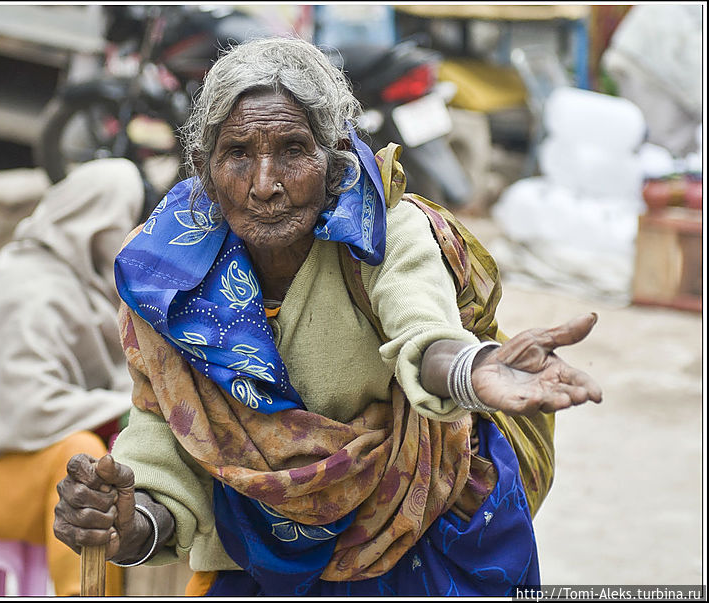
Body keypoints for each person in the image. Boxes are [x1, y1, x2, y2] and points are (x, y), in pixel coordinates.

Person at [52, 37, 603, 597]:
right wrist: (130, 523)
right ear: (205, 166)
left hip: (418, 541)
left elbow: (424, 328)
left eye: (292, 150)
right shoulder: (165, 278)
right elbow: (166, 437)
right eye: (238, 153)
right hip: (256, 558)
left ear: (333, 154)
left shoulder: (385, 229)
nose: (265, 184)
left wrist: (468, 369)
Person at [0, 158, 145, 596]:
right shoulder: (34, 289)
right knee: (84, 463)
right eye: (128, 221)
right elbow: (29, 404)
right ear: (101, 224)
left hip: (0, 460)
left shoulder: (69, 280)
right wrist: (126, 408)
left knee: (113, 464)